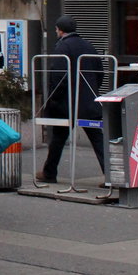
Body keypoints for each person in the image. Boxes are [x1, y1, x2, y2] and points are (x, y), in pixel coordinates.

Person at [37, 15, 106, 183]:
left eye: (56, 29)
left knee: (58, 139)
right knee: (98, 140)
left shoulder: (62, 47)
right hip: (89, 103)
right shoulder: (88, 45)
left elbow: (58, 77)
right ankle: (112, 176)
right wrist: (92, 92)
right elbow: (100, 72)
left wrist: (54, 99)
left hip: (67, 104)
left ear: (60, 30)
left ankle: (49, 173)